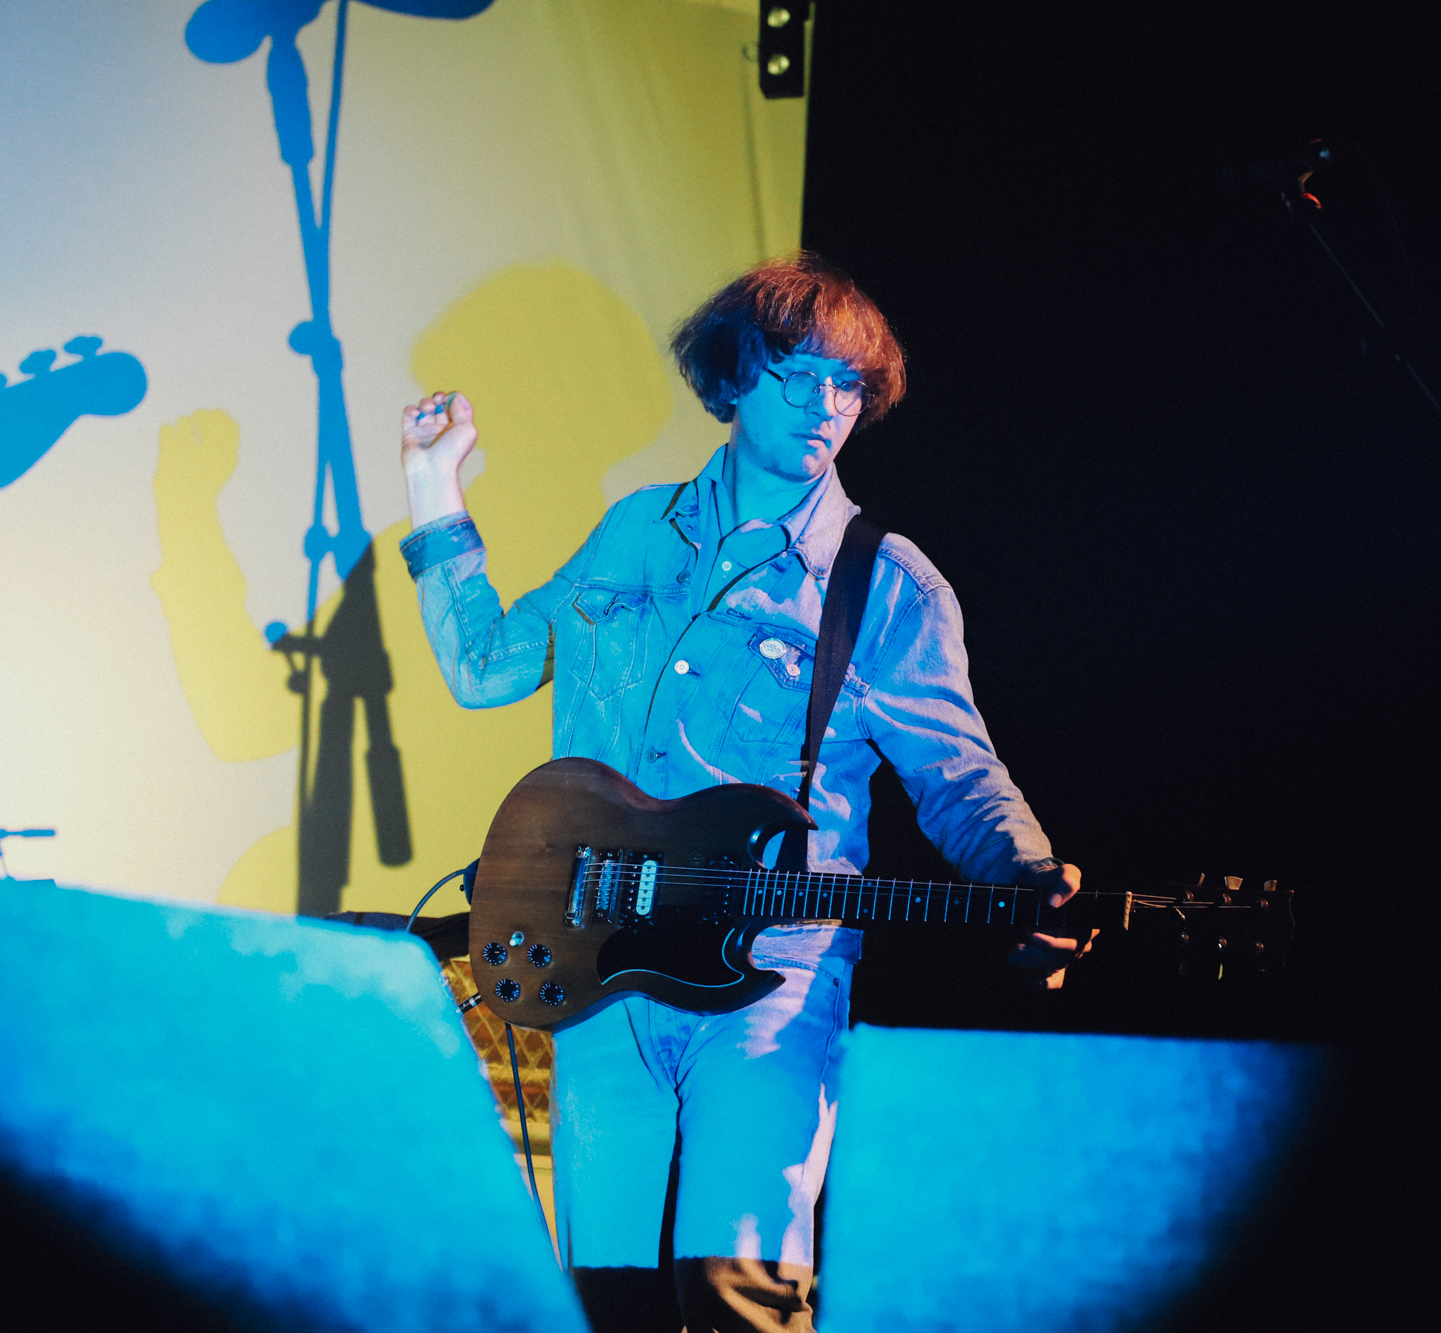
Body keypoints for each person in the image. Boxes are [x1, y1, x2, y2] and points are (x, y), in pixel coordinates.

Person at [397, 254, 1085, 1332]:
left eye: (846, 387)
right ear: (731, 377)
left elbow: (956, 775)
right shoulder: (634, 529)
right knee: (604, 1301)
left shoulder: (886, 582)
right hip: (601, 960)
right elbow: (485, 666)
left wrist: (1027, 873)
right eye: (795, 376)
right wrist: (434, 488)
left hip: (773, 976)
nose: (823, 408)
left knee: (738, 1295)